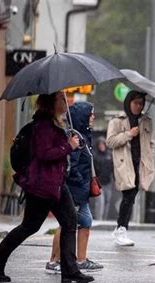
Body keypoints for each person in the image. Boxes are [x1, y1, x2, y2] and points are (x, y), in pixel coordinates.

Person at [0, 92, 94, 283]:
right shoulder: (43, 126)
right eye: (61, 99)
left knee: (70, 222)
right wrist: (68, 146)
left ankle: (70, 271)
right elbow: (45, 154)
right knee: (29, 226)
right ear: (52, 103)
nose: (65, 101)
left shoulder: (55, 124)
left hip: (57, 184)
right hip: (42, 186)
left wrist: (68, 141)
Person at [46, 101, 104, 274]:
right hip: (75, 189)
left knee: (85, 222)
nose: (93, 117)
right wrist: (82, 182)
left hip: (81, 190)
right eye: (90, 114)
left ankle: (81, 260)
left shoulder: (84, 135)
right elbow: (72, 166)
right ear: (82, 116)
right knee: (66, 223)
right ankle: (53, 261)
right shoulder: (76, 138)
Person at [106, 91, 155, 246]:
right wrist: (128, 134)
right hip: (125, 164)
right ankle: (121, 229)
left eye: (141, 103)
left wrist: (149, 156)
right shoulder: (117, 121)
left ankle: (121, 229)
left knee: (131, 198)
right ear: (128, 102)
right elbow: (110, 142)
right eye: (135, 103)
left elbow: (150, 143)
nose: (138, 106)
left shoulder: (146, 121)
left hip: (140, 164)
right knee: (128, 197)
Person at [92, 136, 113, 221]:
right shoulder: (95, 155)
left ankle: (104, 220)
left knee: (107, 202)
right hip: (98, 182)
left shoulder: (110, 155)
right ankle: (98, 220)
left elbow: (113, 168)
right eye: (100, 145)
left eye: (103, 144)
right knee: (100, 202)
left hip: (108, 182)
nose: (101, 146)